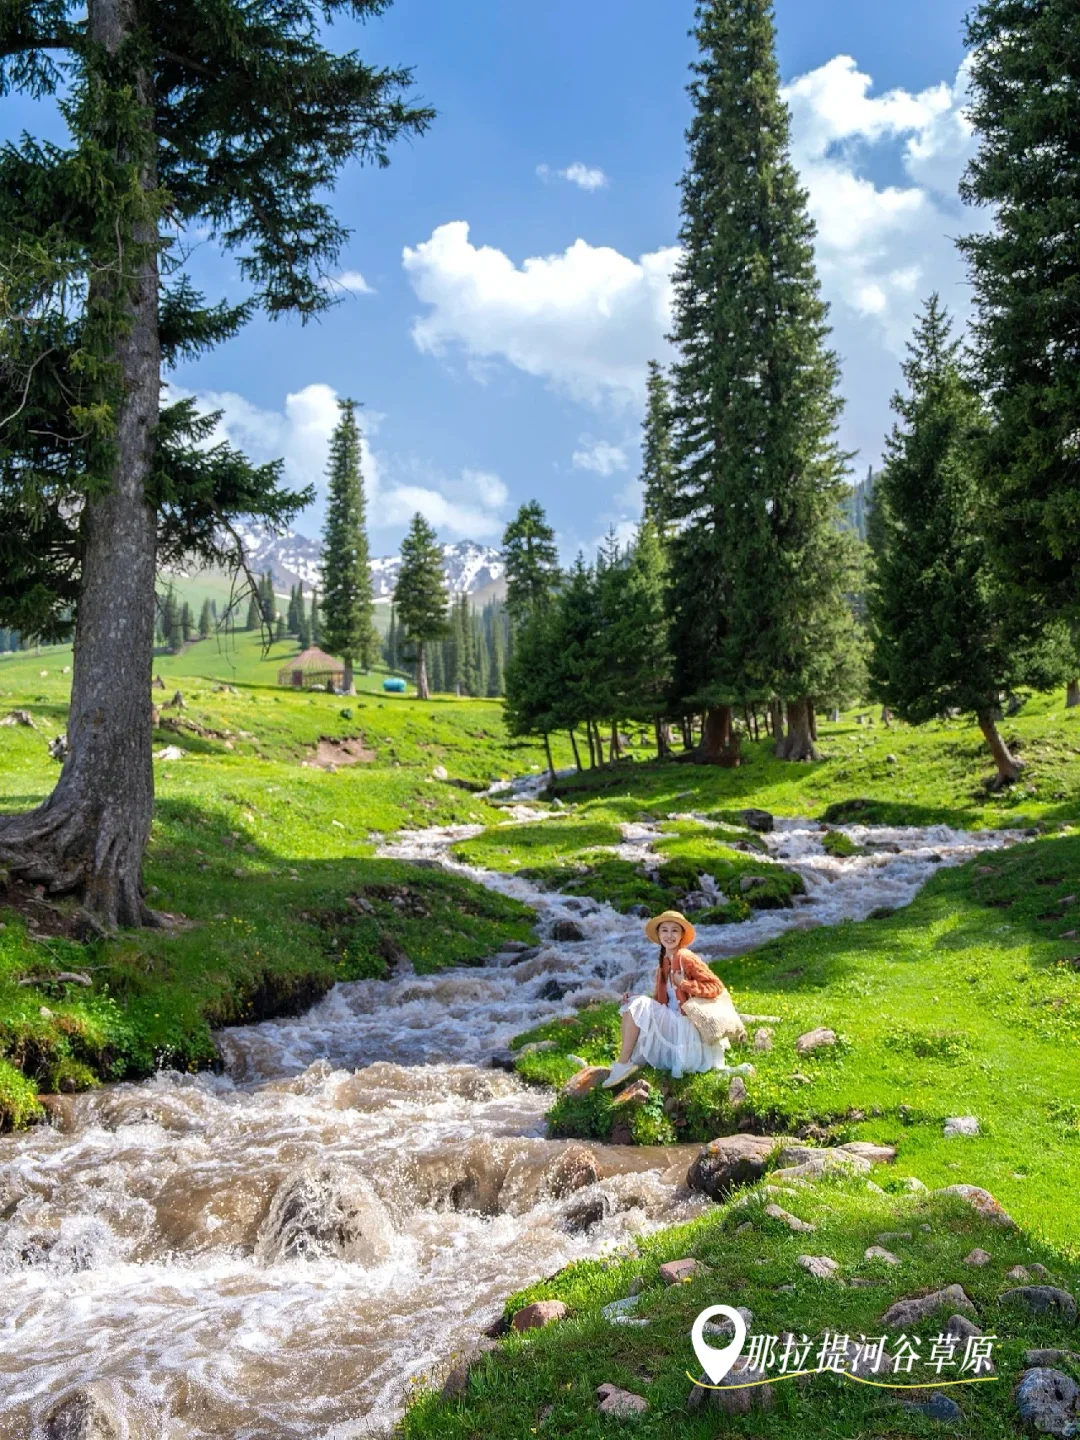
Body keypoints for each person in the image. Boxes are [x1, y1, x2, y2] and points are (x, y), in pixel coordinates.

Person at [603, 909, 749, 1089]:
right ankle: (624, 1062)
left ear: (681, 935)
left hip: (687, 1026)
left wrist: (685, 984)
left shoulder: (685, 957)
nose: (669, 935)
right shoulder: (664, 961)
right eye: (664, 930)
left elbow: (716, 986)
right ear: (659, 934)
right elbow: (661, 1002)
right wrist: (638, 998)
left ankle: (623, 1064)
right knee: (632, 1004)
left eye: (674, 930)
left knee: (636, 1006)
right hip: (674, 1022)